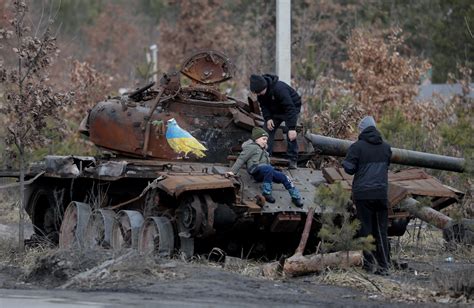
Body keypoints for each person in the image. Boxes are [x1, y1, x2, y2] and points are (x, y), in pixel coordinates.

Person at [342, 116, 392, 275]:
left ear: (362, 130)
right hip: (381, 194)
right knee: (381, 231)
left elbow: (349, 169)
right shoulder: (386, 147)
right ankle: (384, 266)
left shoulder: (357, 147)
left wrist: (346, 162)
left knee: (366, 229)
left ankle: (369, 265)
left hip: (363, 194)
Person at [226, 127, 303, 208]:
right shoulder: (251, 147)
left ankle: (295, 197)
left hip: (266, 171)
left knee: (284, 177)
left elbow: (266, 164)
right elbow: (241, 159)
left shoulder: (264, 151)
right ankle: (266, 193)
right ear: (256, 139)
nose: (265, 141)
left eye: (266, 140)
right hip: (255, 170)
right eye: (263, 139)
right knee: (268, 168)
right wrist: (232, 172)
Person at [249, 74, 302, 169]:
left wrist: (292, 128)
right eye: (257, 93)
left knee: (291, 134)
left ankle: (292, 159)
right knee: (266, 130)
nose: (259, 94)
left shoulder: (279, 89)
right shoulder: (261, 93)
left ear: (264, 86)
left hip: (291, 106)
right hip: (276, 109)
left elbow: (290, 108)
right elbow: (264, 107)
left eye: (260, 92)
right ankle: (265, 157)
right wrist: (268, 118)